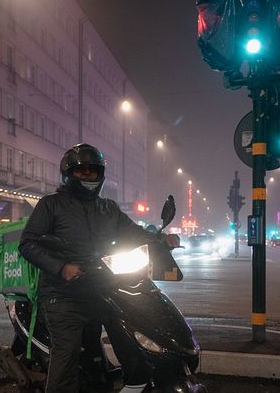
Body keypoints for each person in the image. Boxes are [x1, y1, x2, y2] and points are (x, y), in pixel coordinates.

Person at [18, 143, 180, 393]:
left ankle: (136, 383)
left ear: (100, 175)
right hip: (63, 295)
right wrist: (61, 267)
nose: (86, 176)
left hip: (103, 289)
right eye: (80, 171)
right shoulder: (51, 205)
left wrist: (160, 239)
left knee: (132, 330)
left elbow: (133, 232)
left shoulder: (108, 208)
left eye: (92, 171)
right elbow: (27, 244)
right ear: (68, 173)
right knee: (68, 352)